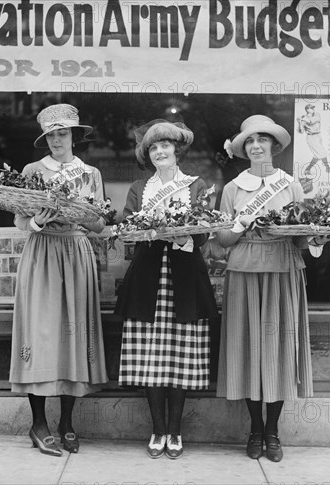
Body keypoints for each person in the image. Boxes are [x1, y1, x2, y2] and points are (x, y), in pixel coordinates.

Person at [217, 115, 330, 462]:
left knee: (279, 350)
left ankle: (273, 432)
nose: (256, 146)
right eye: (250, 141)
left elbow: (300, 239)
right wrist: (239, 225)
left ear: (273, 146)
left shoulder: (290, 185)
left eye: (263, 140)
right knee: (249, 350)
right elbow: (223, 240)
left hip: (282, 272)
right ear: (245, 148)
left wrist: (318, 235)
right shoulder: (232, 188)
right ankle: (254, 430)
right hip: (245, 274)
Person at [9, 104, 108, 457]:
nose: (56, 140)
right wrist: (36, 220)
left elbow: (99, 223)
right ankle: (38, 423)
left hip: (76, 253)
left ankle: (67, 422)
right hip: (42, 254)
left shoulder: (91, 174)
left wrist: (89, 215)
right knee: (40, 332)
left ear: (74, 136)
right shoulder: (33, 170)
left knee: (73, 333)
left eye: (62, 133)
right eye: (50, 135)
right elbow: (20, 221)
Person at [115, 120, 218, 460]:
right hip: (147, 279)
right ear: (148, 154)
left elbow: (204, 232)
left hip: (185, 279)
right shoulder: (138, 187)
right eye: (154, 147)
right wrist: (148, 232)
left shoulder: (196, 185)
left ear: (177, 150)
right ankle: (157, 429)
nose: (161, 151)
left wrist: (183, 236)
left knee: (179, 357)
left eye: (166, 146)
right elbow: (127, 229)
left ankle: (175, 431)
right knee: (150, 358)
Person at [297, 104, 330, 174]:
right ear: (307, 110)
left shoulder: (317, 115)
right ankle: (327, 168)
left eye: (313, 108)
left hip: (318, 136)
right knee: (322, 153)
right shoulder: (303, 119)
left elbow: (311, 121)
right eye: (311, 108)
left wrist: (302, 119)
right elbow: (301, 131)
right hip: (311, 137)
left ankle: (307, 170)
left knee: (317, 155)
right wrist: (300, 123)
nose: (313, 109)